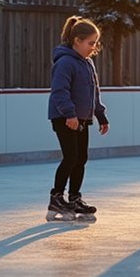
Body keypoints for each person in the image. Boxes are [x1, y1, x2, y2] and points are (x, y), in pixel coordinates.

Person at [47, 16, 109, 222]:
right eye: (90, 43)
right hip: (64, 118)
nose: (94, 47)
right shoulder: (65, 62)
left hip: (81, 118)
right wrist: (69, 114)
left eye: (95, 43)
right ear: (77, 41)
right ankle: (56, 198)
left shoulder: (87, 63)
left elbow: (94, 92)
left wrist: (100, 114)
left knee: (81, 158)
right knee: (70, 157)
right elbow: (59, 91)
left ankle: (74, 198)